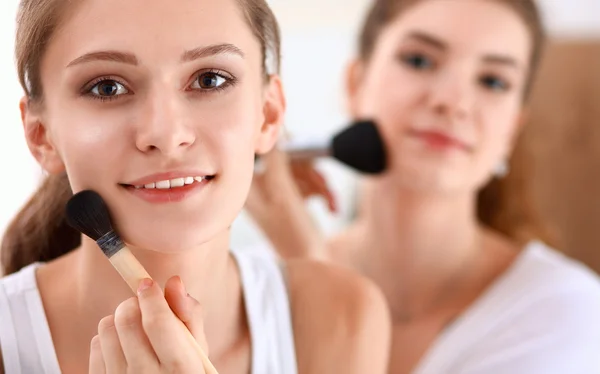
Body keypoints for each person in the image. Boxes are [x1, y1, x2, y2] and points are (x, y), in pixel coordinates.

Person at [0, 0, 392, 373]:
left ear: (268, 114)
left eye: (210, 80)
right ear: (41, 136)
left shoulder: (340, 318)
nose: (166, 135)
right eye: (107, 88)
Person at [246, 0, 600, 373]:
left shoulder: (566, 313)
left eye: (493, 81)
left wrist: (309, 269)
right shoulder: (250, 283)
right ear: (356, 84)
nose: (452, 101)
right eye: (419, 61)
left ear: (511, 129)